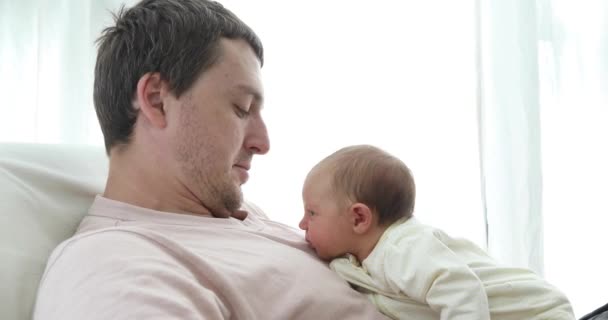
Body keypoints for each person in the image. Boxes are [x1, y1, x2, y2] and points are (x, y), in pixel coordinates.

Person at [32, 1, 389, 319]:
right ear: (157, 101)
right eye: (241, 108)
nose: (263, 142)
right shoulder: (112, 268)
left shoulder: (232, 212)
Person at [299, 144, 575, 320]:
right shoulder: (361, 260)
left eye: (312, 213)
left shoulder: (403, 247)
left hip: (538, 312)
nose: (302, 224)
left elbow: (461, 291)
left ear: (359, 218)